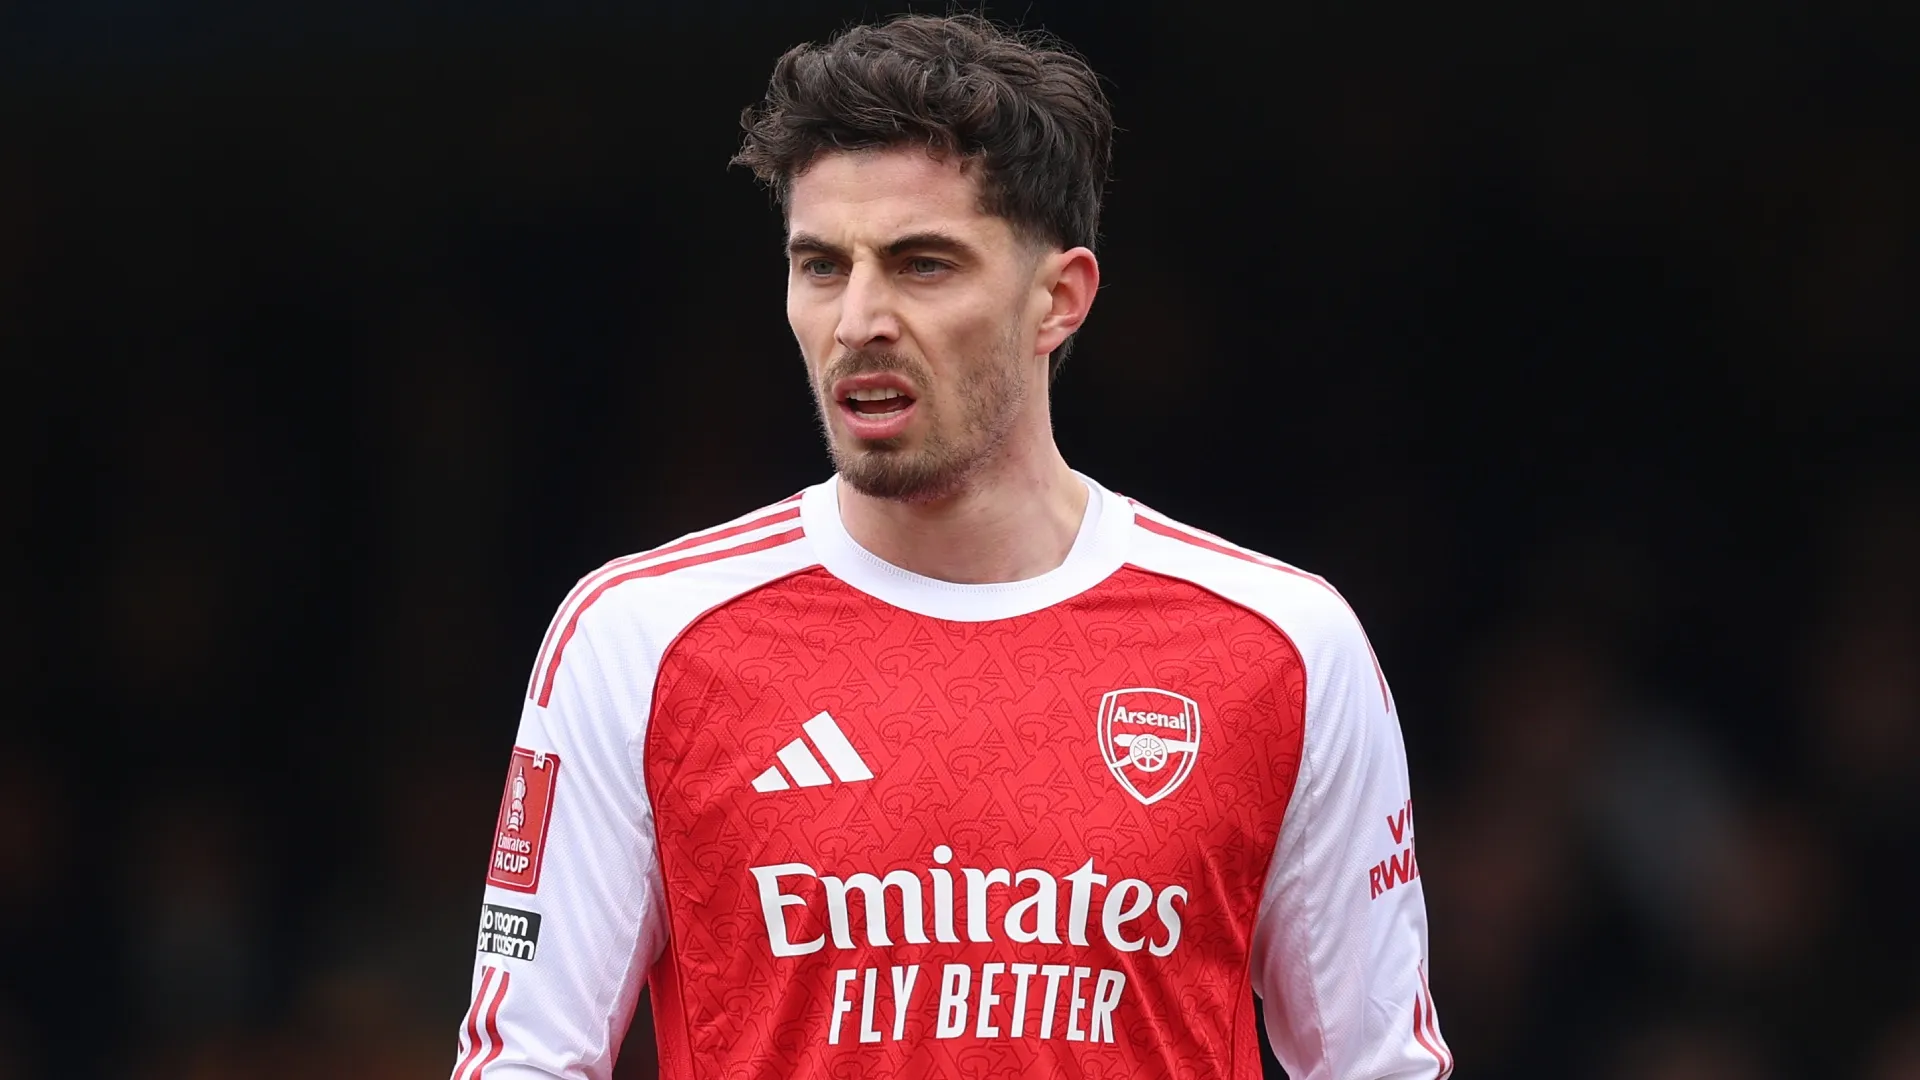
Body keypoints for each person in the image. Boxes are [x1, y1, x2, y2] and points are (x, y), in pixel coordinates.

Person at [450, 13, 1449, 1079]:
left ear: (1057, 300)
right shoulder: (639, 640)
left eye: (923, 265)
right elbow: (526, 1060)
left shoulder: (1284, 648)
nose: (859, 319)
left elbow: (1377, 1063)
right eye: (823, 266)